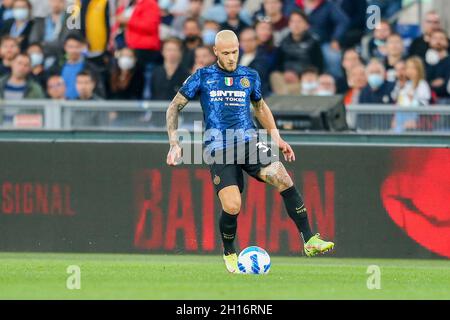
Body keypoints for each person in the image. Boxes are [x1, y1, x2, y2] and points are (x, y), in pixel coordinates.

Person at [165, 30, 334, 273]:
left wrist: (276, 137)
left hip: (249, 143)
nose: (231, 58)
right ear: (215, 52)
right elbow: (174, 107)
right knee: (233, 206)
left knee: (283, 178)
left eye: (234, 52)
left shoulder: (250, 76)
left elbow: (261, 107)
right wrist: (174, 142)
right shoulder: (202, 76)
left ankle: (309, 239)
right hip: (219, 147)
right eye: (226, 53)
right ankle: (229, 250)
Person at [275, 9, 323, 76]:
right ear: (289, 24)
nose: (296, 25)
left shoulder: (313, 42)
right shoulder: (283, 42)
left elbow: (318, 66)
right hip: (287, 77)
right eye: (293, 21)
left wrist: (300, 75)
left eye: (299, 21)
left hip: (306, 77)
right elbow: (279, 65)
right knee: (274, 75)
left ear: (306, 25)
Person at [392, 57, 431, 133]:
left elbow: (424, 104)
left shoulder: (422, 84)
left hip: (416, 117)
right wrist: (394, 119)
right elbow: (397, 100)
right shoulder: (406, 85)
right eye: (408, 68)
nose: (410, 70)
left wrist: (413, 99)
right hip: (401, 115)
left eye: (413, 68)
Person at [426, 29, 450, 101]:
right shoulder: (422, 61)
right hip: (426, 100)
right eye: (435, 38)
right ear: (429, 41)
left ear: (447, 42)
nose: (438, 41)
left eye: (441, 38)